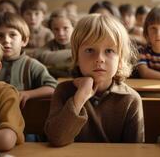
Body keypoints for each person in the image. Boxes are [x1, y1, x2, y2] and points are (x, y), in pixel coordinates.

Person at [44, 14, 144, 146]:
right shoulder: (64, 91)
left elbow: (135, 151)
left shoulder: (130, 99)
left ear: (120, 60)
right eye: (90, 50)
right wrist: (79, 98)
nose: (99, 58)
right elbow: (56, 138)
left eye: (109, 50)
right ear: (76, 56)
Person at [0, 12, 57, 109]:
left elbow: (53, 88)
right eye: (0, 35)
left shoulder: (31, 65)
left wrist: (28, 94)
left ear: (24, 41)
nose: (6, 40)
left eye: (12, 35)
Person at [33, 9, 75, 78]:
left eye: (65, 28)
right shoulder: (51, 44)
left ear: (74, 28)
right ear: (51, 30)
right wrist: (75, 54)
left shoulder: (80, 43)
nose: (61, 33)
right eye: (56, 29)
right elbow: (40, 55)